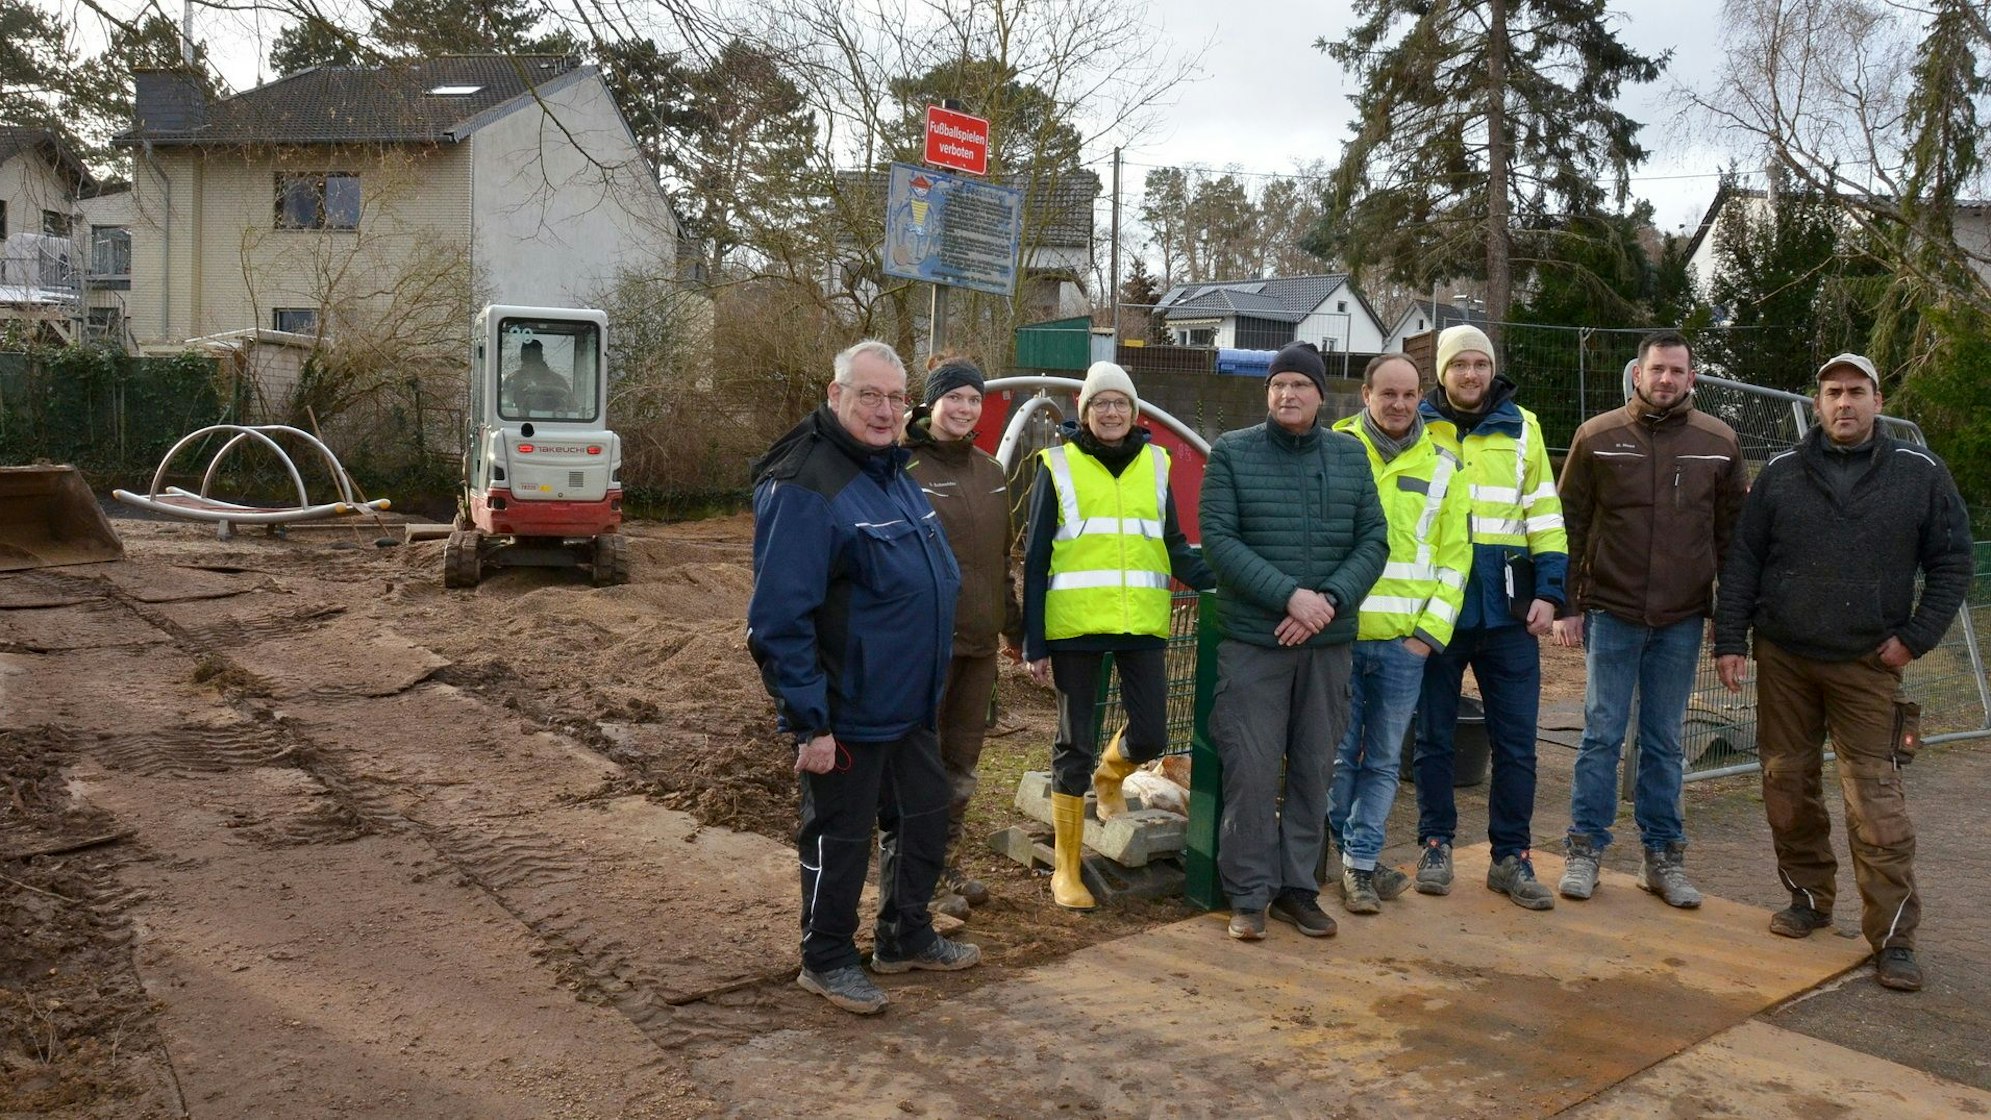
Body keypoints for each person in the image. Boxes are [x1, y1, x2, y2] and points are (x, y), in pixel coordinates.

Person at [1714, 353, 1971, 993]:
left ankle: (1893, 940)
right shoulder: (1779, 474)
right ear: (1818, 402)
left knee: (1875, 801)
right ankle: (1808, 898)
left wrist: (1914, 639)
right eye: (1833, 392)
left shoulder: (1921, 475)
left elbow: (1952, 564)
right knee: (1785, 783)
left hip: (1866, 665)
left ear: (1878, 401)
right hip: (1785, 661)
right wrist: (1729, 640)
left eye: (1856, 392)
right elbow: (1743, 562)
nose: (1844, 403)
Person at [746, 338, 981, 1015]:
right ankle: (824, 958)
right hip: (845, 707)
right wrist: (807, 721)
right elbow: (778, 619)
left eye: (893, 397)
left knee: (924, 816)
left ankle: (905, 936)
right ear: (834, 396)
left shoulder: (888, 469)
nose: (883, 410)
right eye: (867, 396)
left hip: (906, 702)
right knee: (839, 839)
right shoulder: (805, 483)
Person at [1200, 341, 1389, 941]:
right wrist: (1290, 597)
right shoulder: (1232, 454)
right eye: (1278, 384)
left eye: (1300, 385)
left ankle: (1299, 889)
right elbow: (1220, 544)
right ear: (1267, 393)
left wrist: (1326, 602)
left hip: (1326, 645)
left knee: (1313, 769)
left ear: (1320, 394)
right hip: (1256, 644)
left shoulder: (1350, 457)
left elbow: (1374, 542)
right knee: (1251, 772)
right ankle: (1250, 895)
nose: (1288, 394)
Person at [1552, 330, 1747, 907]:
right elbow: (1569, 525)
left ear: (1692, 377)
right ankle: (1584, 850)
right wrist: (1568, 604)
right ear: (1637, 374)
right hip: (1612, 613)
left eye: (1676, 371)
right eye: (1656, 369)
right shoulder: (1597, 437)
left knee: (1663, 741)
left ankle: (1662, 858)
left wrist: (1727, 623)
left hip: (1682, 619)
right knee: (1601, 735)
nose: (1665, 379)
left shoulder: (1719, 442)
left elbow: (1734, 541)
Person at [1022, 360, 1215, 912]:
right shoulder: (1055, 465)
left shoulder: (1156, 464)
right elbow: (1035, 559)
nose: (1111, 412)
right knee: (1072, 743)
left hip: (1141, 621)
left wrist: (1219, 579)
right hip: (1074, 624)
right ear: (1085, 413)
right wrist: (1034, 641)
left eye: (1121, 403)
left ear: (1134, 413)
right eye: (1100, 404)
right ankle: (1066, 869)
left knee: (1152, 734)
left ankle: (1111, 779)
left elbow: (1174, 545)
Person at [1411, 324, 1568, 910]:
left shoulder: (1523, 426)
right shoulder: (1419, 426)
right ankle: (1435, 843)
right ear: (1443, 373)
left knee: (1517, 743)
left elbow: (1545, 516)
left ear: (1491, 368)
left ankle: (1511, 857)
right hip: (1438, 609)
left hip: (1509, 616)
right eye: (1459, 365)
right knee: (1432, 736)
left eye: (1480, 363)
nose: (1470, 375)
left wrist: (1550, 593)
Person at [1325, 353, 1469, 915]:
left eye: (1410, 395)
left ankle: (1359, 864)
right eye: (1389, 393)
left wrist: (1427, 637)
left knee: (1383, 760)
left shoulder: (1443, 466)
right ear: (1365, 395)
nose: (1400, 404)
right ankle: (1350, 853)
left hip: (1403, 646)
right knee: (1338, 758)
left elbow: (1457, 559)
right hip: (1338, 636)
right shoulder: (1334, 449)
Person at [903, 356, 1023, 920]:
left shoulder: (992, 473)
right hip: (924, 649)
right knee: (920, 767)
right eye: (954, 398)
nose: (964, 408)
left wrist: (1015, 628)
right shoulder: (903, 468)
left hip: (979, 647)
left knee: (962, 765)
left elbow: (1000, 564)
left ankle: (944, 862)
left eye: (973, 399)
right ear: (932, 403)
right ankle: (916, 881)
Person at [504, 338, 572, 413]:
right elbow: (505, 405)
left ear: (540, 356)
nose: (531, 356)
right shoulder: (513, 379)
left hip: (554, 422)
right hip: (517, 423)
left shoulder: (557, 380)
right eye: (527, 354)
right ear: (522, 357)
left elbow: (572, 406)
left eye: (534, 353)